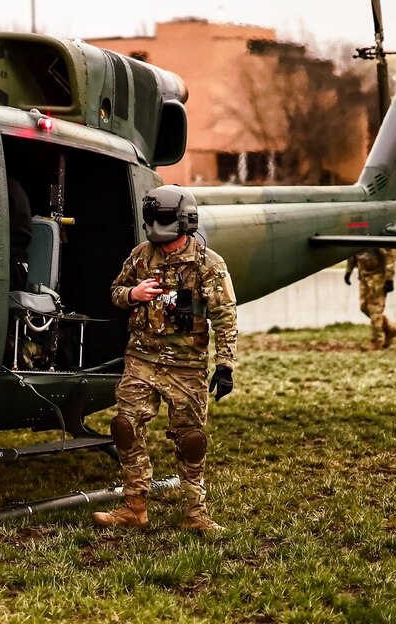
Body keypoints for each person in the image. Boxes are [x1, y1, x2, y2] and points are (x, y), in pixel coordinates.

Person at [93, 185, 237, 534]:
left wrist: (225, 364)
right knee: (125, 428)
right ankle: (134, 507)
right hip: (141, 358)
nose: (164, 244)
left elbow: (225, 314)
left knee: (190, 439)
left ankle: (195, 514)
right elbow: (115, 292)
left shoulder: (207, 264)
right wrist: (133, 294)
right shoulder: (141, 255)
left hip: (186, 365)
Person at [345, 248, 396, 350]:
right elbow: (352, 254)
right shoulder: (357, 238)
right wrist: (349, 271)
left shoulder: (375, 236)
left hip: (378, 276)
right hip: (364, 276)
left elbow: (388, 257)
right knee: (364, 307)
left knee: (375, 309)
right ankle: (389, 329)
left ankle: (377, 341)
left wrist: (389, 279)